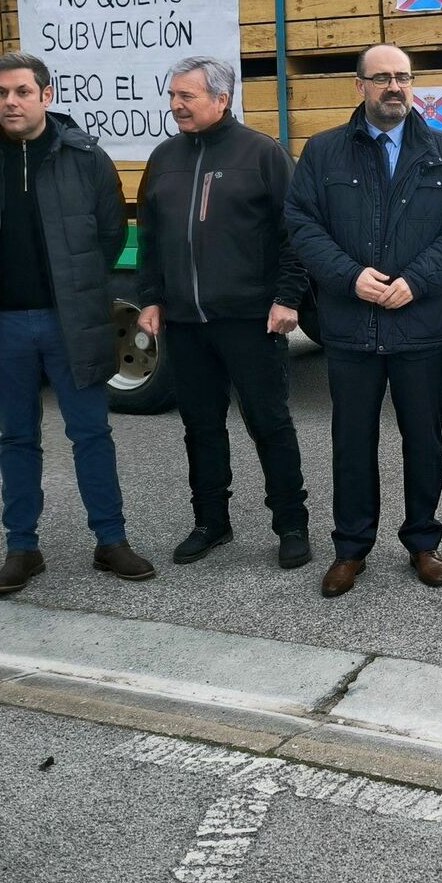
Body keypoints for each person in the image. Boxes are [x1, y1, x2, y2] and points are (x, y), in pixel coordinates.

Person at [0, 51, 153, 595]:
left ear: (46, 96)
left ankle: (111, 541)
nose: (11, 101)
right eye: (2, 92)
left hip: (70, 322)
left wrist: (78, 290)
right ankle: (22, 549)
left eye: (22, 92)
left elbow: (110, 235)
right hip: (4, 325)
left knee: (91, 433)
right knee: (17, 438)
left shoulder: (83, 157)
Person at [284, 43, 442, 598]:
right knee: (351, 441)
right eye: (382, 78)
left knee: (424, 440)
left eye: (403, 77)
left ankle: (422, 541)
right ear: (360, 86)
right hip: (350, 327)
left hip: (418, 326)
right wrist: (350, 277)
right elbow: (302, 224)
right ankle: (351, 548)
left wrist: (415, 281)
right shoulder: (324, 153)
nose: (394, 87)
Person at [135, 55, 311, 571]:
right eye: (172, 97)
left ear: (221, 99)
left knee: (269, 423)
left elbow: (295, 234)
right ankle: (211, 522)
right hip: (186, 325)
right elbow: (148, 238)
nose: (175, 106)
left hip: (251, 320)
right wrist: (150, 297)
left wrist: (289, 297)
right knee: (201, 426)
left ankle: (291, 524)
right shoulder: (163, 158)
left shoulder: (262, 155)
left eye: (186, 97)